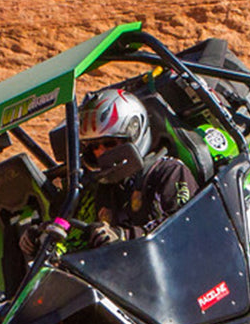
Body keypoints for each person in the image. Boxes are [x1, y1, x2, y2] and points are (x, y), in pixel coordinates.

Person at [74, 86, 197, 245]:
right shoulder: (102, 187)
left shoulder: (168, 172)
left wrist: (124, 236)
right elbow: (75, 233)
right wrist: (45, 235)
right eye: (93, 146)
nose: (100, 153)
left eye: (109, 143)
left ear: (133, 136)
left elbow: (183, 227)